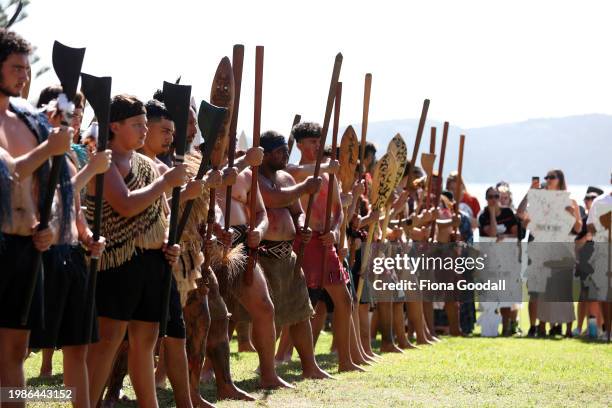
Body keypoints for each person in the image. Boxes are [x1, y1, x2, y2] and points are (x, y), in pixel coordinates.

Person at [84, 94, 184, 407]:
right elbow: (126, 204)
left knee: (146, 342)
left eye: (145, 124)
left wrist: (170, 242)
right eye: (137, 124)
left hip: (153, 262)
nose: (144, 130)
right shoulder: (104, 162)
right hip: (118, 262)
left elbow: (160, 213)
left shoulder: (146, 164)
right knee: (108, 341)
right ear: (114, 125)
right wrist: (165, 182)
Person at [0, 28, 75, 406]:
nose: (24, 76)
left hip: (25, 247)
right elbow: (8, 171)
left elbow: (45, 187)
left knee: (15, 352)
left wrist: (45, 230)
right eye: (15, 68)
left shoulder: (27, 119)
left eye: (27, 69)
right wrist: (49, 147)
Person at [214, 133, 293, 389]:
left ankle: (268, 375)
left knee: (264, 307)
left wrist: (259, 230)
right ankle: (196, 372)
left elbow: (260, 212)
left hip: (241, 244)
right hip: (209, 243)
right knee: (210, 313)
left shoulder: (247, 175)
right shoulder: (202, 168)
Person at [287, 122, 363, 372]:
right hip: (303, 242)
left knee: (344, 300)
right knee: (301, 305)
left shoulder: (329, 174)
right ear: (299, 144)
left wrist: (333, 231)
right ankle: (288, 358)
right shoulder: (293, 170)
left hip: (325, 243)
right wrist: (324, 167)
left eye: (320, 141)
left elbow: (338, 212)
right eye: (312, 142)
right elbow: (295, 173)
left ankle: (345, 361)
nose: (318, 146)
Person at [257, 130, 332, 379]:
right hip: (260, 256)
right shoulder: (254, 178)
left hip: (287, 255)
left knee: (300, 313)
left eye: (285, 151)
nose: (284, 155)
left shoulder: (287, 178)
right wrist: (305, 187)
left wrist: (302, 225)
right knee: (261, 314)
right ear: (265, 154)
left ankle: (310, 367)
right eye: (279, 151)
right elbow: (273, 199)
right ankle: (263, 367)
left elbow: (297, 210)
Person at [478, 186, 519, 336]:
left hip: (507, 259)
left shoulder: (508, 213)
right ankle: (491, 326)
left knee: (507, 295)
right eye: (491, 197)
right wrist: (492, 214)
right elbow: (492, 233)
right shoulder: (483, 216)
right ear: (486, 199)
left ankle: (506, 327)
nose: (494, 199)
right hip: (491, 260)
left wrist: (505, 237)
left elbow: (515, 235)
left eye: (496, 196)